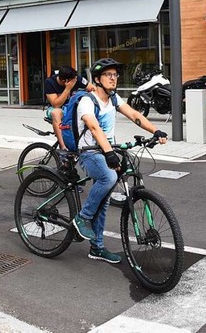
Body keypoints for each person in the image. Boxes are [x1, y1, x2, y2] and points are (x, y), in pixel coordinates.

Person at [71, 58, 168, 264]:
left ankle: (97, 248)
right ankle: (82, 218)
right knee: (108, 177)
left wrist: (155, 130)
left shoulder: (114, 98)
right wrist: (108, 152)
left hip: (107, 150)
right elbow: (94, 128)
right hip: (89, 152)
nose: (113, 78)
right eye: (108, 75)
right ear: (97, 79)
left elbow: (134, 115)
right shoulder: (87, 101)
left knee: (105, 198)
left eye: (115, 75)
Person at [44, 66, 95, 150]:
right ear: (66, 81)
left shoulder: (76, 78)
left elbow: (93, 89)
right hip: (57, 109)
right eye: (73, 80)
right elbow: (55, 104)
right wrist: (68, 88)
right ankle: (63, 146)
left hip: (73, 108)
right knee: (56, 112)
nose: (75, 80)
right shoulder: (50, 82)